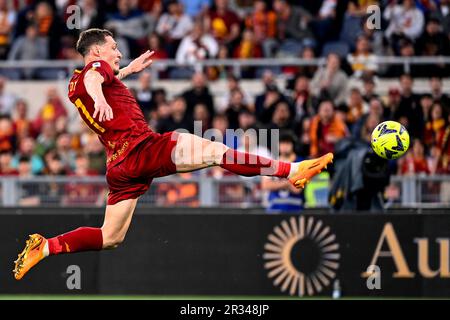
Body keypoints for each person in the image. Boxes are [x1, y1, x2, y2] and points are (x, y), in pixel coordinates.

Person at [12, 28, 333, 280]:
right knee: (215, 150)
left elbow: (96, 80)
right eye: (113, 48)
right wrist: (101, 96)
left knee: (110, 236)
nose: (119, 53)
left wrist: (127, 72)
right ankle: (291, 171)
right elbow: (96, 78)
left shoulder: (73, 84)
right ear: (96, 51)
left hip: (120, 165)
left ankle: (47, 247)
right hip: (141, 148)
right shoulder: (95, 72)